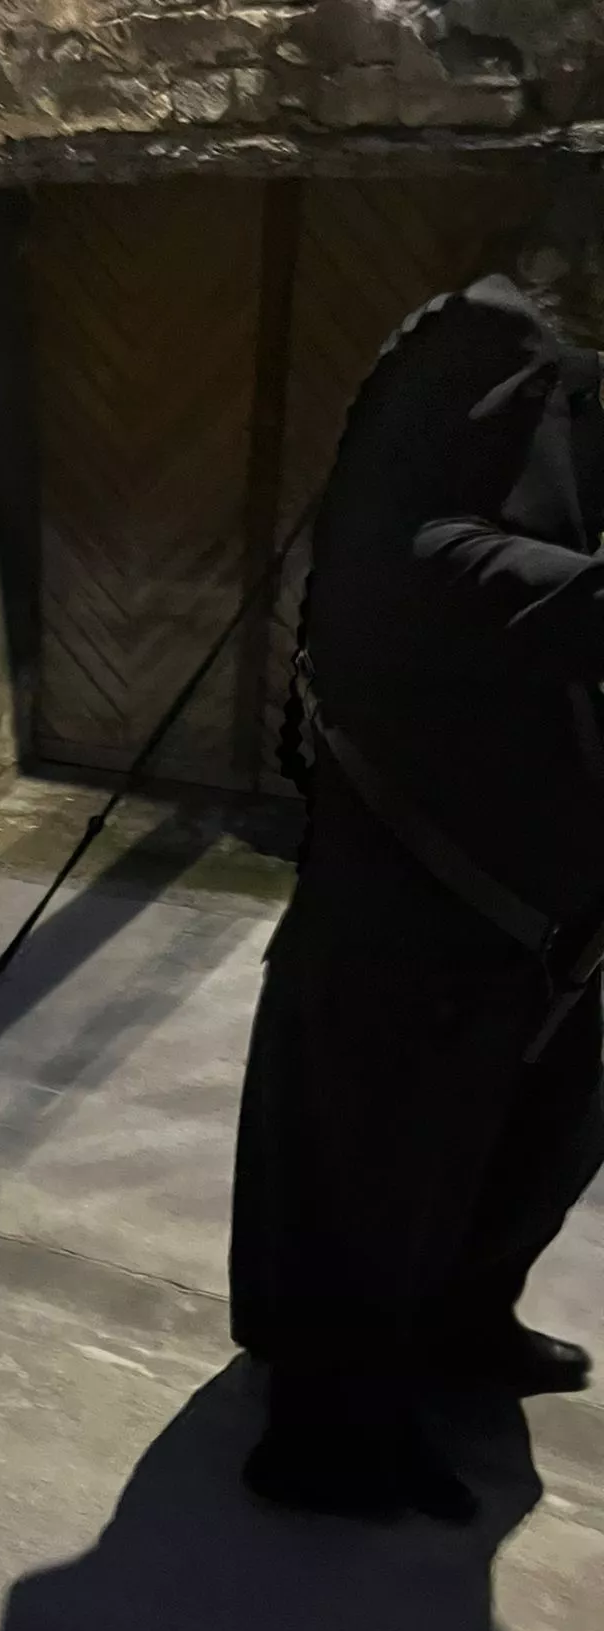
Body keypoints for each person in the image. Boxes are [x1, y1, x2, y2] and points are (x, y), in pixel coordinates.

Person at [231, 274, 604, 1524]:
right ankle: (334, 1440)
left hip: (549, 920)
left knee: (530, 1152)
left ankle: (462, 1323)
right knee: (381, 1181)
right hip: (419, 919)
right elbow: (431, 569)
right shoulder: (479, 353)